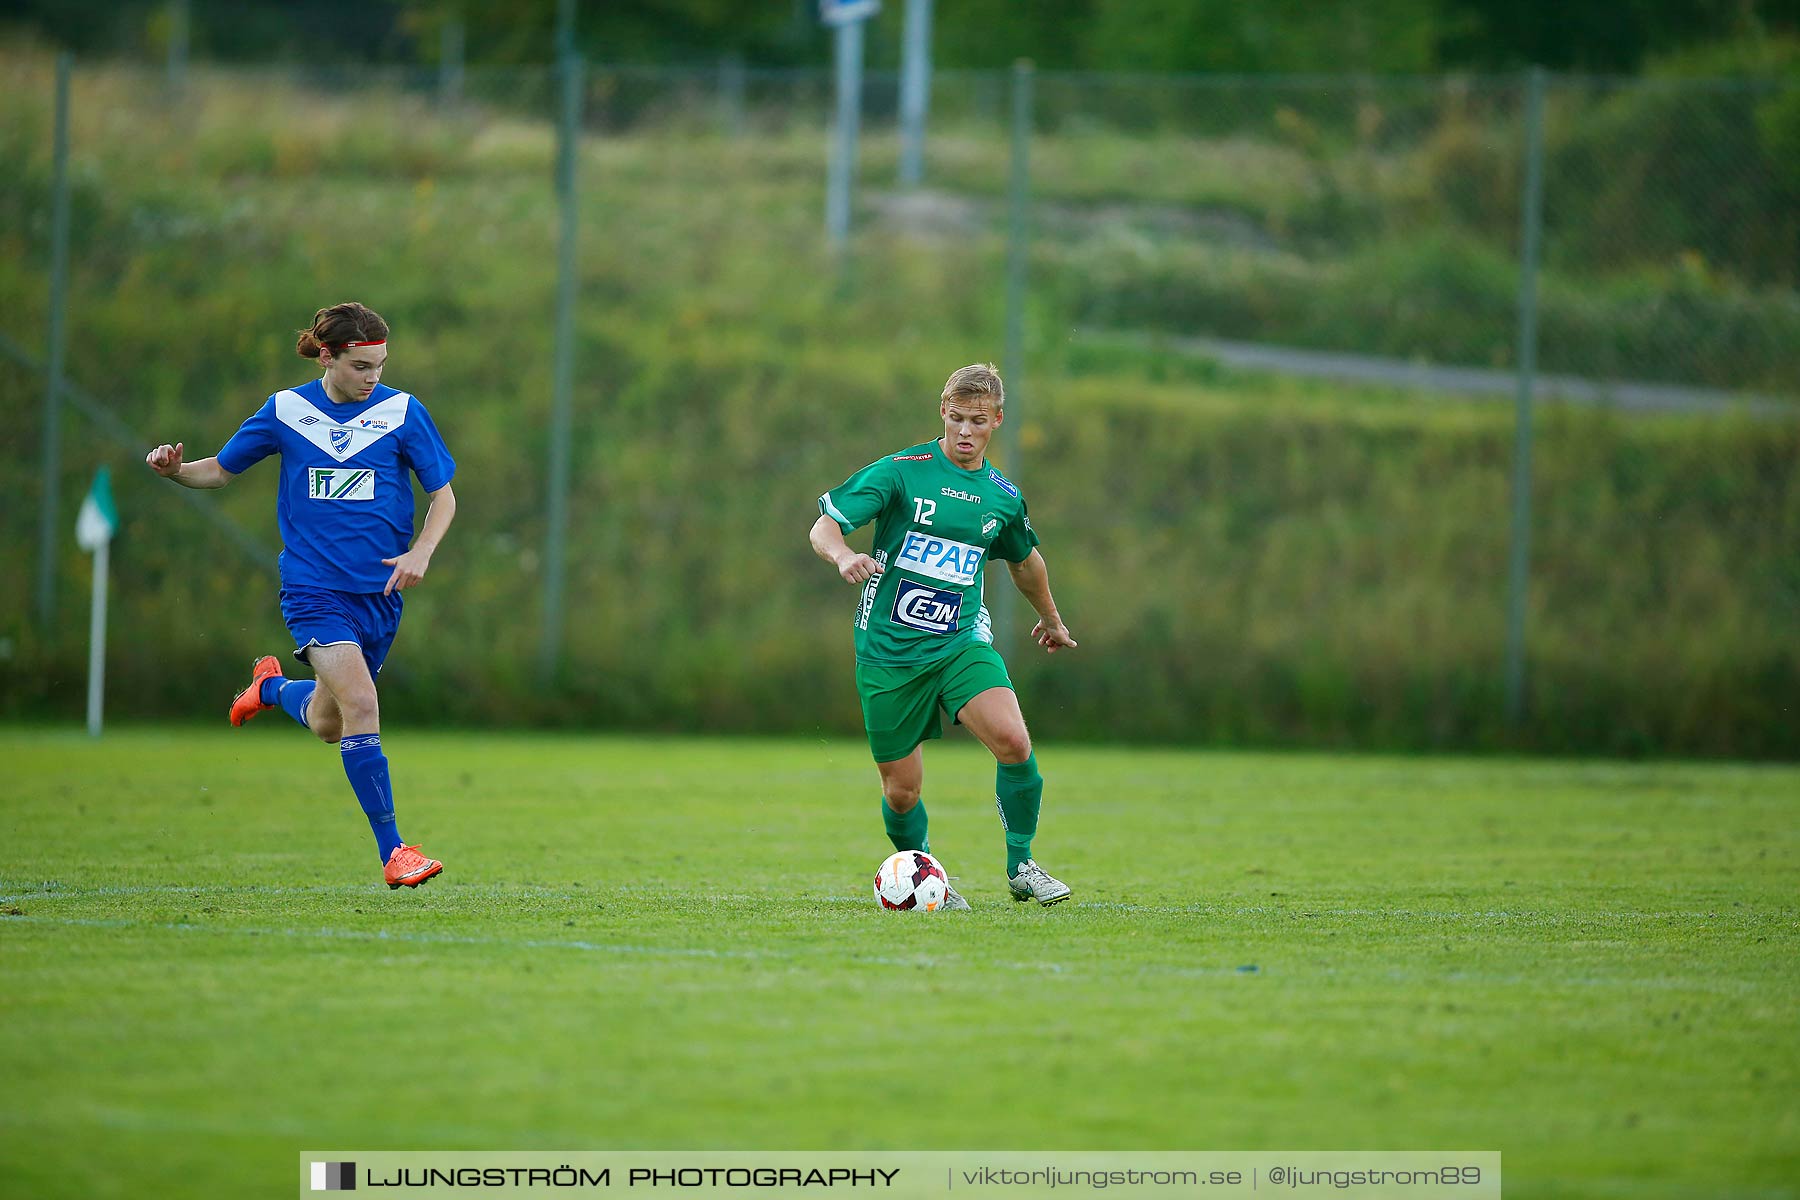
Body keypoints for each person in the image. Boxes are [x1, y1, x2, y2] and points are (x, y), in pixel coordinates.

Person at [146, 302, 457, 890]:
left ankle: (270, 688)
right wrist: (174, 472)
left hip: (381, 596)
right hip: (313, 590)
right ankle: (395, 852)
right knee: (363, 706)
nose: (375, 377)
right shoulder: (287, 410)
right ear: (327, 356)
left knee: (329, 721)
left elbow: (444, 498)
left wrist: (421, 553)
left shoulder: (403, 413)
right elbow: (218, 471)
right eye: (363, 367)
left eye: (381, 365)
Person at [810, 363, 1078, 908]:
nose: (964, 431)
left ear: (996, 421)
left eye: (977, 421)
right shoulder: (902, 471)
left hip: (960, 643)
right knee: (901, 791)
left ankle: (1022, 865)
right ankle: (933, 878)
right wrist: (843, 556)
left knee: (1013, 741)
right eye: (956, 418)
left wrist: (1051, 618)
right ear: (943, 413)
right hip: (887, 654)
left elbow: (1026, 563)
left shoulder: (1002, 496)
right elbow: (825, 525)